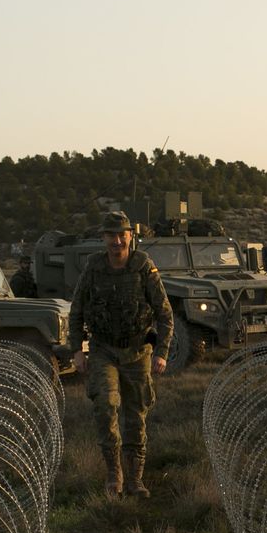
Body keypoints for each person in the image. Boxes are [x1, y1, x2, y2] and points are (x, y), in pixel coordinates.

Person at [68, 210, 172, 498]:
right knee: (106, 405)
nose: (117, 240)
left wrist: (161, 351)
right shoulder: (93, 267)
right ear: (103, 238)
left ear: (130, 236)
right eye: (111, 235)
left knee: (136, 415)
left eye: (121, 234)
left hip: (138, 352)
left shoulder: (143, 267)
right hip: (103, 350)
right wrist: (77, 350)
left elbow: (164, 313)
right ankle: (114, 473)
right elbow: (76, 310)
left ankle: (134, 479)